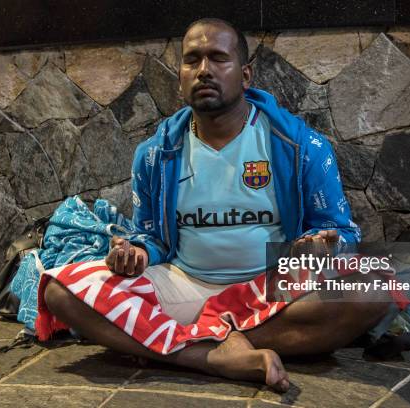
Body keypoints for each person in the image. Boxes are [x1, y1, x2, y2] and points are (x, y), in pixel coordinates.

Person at [43, 18, 390, 392]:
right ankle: (210, 356)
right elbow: (151, 237)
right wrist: (136, 252)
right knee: (59, 290)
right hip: (185, 287)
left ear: (245, 75)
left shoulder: (300, 147)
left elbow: (342, 234)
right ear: (180, 77)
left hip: (269, 290)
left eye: (218, 58)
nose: (204, 70)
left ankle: (189, 342)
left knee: (374, 289)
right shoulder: (155, 155)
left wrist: (322, 246)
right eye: (192, 60)